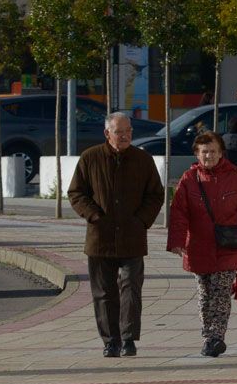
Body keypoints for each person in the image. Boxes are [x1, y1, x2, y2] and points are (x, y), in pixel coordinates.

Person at [68, 112, 165, 358]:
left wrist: (141, 220)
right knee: (103, 292)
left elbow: (155, 194)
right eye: (119, 132)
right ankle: (110, 340)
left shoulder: (142, 159)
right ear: (107, 133)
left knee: (131, 288)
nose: (124, 136)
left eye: (128, 131)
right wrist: (94, 216)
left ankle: (129, 338)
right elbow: (76, 193)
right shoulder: (90, 158)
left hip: (132, 236)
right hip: (100, 237)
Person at [166, 132, 237, 357]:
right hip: (198, 247)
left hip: (228, 246)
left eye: (213, 151)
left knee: (220, 292)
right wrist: (177, 242)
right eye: (204, 151)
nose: (208, 155)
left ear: (221, 153)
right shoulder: (189, 179)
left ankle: (216, 337)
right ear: (197, 154)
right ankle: (208, 334)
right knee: (205, 293)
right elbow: (179, 213)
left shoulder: (236, 177)